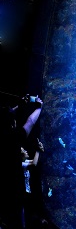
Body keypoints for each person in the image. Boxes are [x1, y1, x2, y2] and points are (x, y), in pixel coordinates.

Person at [0, 94, 43, 229]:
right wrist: (39, 107)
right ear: (13, 123)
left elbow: (5, 116)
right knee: (18, 221)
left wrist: (20, 105)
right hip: (15, 189)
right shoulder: (14, 137)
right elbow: (30, 122)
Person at [22, 139, 49, 229]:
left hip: (27, 192)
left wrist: (40, 150)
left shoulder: (24, 162)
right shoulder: (21, 164)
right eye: (23, 150)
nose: (26, 151)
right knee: (28, 213)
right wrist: (37, 150)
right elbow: (34, 164)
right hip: (24, 194)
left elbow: (34, 161)